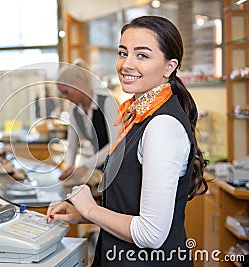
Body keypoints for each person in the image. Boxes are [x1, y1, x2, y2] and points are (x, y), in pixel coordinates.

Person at [47, 16, 208, 266]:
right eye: (123, 53)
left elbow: (151, 234)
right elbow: (131, 205)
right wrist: (84, 215)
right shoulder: (138, 114)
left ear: (169, 66)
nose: (126, 64)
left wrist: (92, 209)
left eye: (142, 55)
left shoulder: (162, 125)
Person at [56, 58, 118, 186]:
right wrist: (69, 168)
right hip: (100, 170)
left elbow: (116, 144)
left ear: (77, 83)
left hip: (119, 168)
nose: (65, 97)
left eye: (66, 92)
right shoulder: (74, 111)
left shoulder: (107, 102)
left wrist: (85, 166)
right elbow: (72, 145)